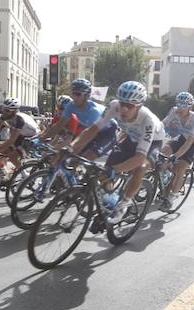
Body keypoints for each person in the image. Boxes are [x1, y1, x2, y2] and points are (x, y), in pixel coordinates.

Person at [70, 80, 164, 224]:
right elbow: (94, 129)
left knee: (140, 168)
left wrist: (115, 169)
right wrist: (72, 147)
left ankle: (123, 205)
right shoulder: (114, 106)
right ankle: (110, 200)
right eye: (122, 104)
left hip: (153, 142)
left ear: (138, 106)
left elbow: (139, 158)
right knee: (103, 173)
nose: (124, 109)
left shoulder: (148, 120)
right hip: (131, 138)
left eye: (130, 105)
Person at [160, 92, 194, 208]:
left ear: (190, 107)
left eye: (184, 105)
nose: (180, 108)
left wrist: (176, 156)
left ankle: (172, 196)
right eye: (178, 104)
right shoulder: (174, 111)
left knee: (180, 168)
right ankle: (166, 173)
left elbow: (189, 142)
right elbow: (162, 124)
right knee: (163, 152)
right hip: (182, 137)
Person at [0, 98, 39, 171]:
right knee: (2, 152)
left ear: (15, 111)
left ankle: (25, 177)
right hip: (21, 136)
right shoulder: (6, 115)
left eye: (7, 111)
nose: (4, 112)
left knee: (12, 157)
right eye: (3, 109)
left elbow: (12, 140)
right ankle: (3, 176)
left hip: (32, 137)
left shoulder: (19, 119)